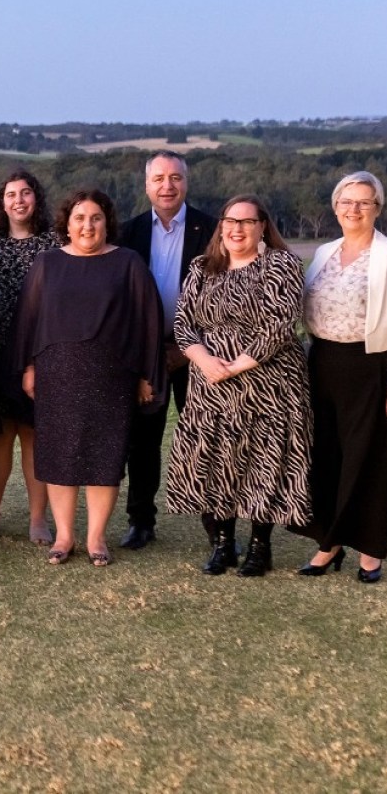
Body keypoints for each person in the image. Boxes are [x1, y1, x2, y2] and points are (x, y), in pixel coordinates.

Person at [14, 189, 164, 567]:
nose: (87, 225)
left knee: (105, 457)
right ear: (67, 223)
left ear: (106, 222)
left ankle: (96, 538)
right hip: (57, 374)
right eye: (79, 218)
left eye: (95, 217)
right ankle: (64, 536)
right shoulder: (46, 263)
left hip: (112, 377)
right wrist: (28, 367)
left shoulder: (129, 263)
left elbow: (148, 322)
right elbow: (29, 320)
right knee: (60, 456)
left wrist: (147, 374)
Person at [165, 195, 311, 576]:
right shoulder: (201, 267)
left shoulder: (281, 265)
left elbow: (281, 323)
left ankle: (261, 548)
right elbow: (183, 323)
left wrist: (237, 366)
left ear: (263, 226)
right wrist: (204, 360)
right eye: (230, 220)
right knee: (218, 462)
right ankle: (223, 544)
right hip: (210, 385)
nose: (237, 228)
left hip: (270, 383)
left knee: (264, 463)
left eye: (247, 221)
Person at [117, 152, 216, 550]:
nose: (167, 186)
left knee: (208, 438)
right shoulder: (128, 233)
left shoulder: (212, 229)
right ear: (146, 185)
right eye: (158, 178)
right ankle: (141, 522)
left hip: (202, 352)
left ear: (186, 183)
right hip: (147, 355)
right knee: (142, 441)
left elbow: (225, 294)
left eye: (175, 177)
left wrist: (190, 346)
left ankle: (217, 526)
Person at [295, 171, 387, 583]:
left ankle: (370, 550)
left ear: (377, 209)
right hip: (323, 362)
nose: (354, 209)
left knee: (368, 458)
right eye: (347, 201)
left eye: (363, 202)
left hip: (372, 366)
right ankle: (328, 545)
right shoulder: (325, 252)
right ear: (335, 208)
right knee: (326, 455)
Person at [0, 170, 60, 543]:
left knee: (35, 437)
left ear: (36, 198)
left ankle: (38, 519)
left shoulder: (55, 243)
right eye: (11, 194)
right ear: (2, 202)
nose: (18, 200)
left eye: (25, 193)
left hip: (41, 353)